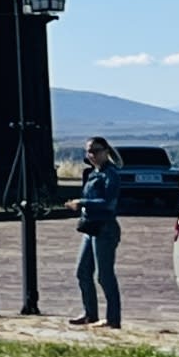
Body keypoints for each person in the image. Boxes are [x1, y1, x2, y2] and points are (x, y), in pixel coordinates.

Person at [68, 136, 126, 329]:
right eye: (89, 152)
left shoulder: (111, 175)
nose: (92, 155)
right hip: (91, 227)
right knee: (82, 271)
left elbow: (108, 204)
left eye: (96, 151)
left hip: (105, 228)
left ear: (106, 151)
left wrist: (82, 203)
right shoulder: (93, 173)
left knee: (104, 275)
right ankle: (90, 313)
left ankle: (113, 318)